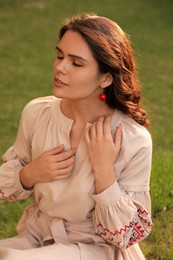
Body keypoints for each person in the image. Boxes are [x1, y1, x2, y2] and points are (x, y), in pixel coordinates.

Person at [0, 13, 152, 260]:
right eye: (60, 56)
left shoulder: (133, 139)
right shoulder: (37, 114)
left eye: (76, 63)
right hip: (39, 237)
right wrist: (29, 174)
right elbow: (8, 182)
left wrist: (104, 174)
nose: (60, 67)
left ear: (105, 78)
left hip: (97, 248)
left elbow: (124, 235)